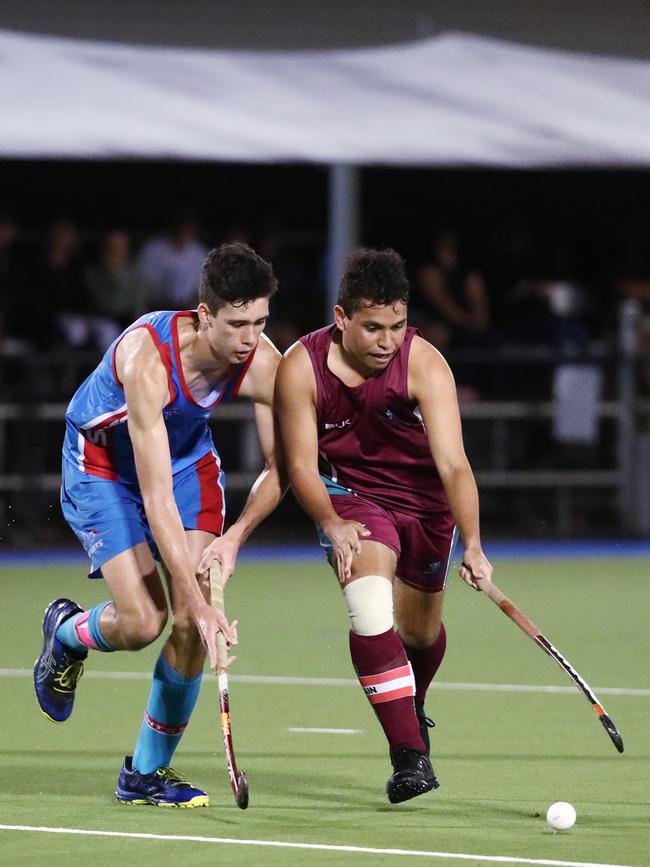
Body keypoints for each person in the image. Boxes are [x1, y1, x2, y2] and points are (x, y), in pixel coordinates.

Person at [34, 242, 283, 807]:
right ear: (204, 316)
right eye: (237, 323)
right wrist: (198, 599)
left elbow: (282, 467)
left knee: (193, 629)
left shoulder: (264, 363)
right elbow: (156, 499)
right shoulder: (148, 361)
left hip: (187, 458)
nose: (250, 338)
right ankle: (68, 633)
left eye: (261, 322)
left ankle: (145, 774)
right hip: (101, 466)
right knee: (146, 621)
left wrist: (235, 537)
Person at [275, 248, 492, 804]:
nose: (386, 341)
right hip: (355, 498)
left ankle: (411, 703)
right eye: (372, 327)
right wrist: (330, 519)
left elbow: (454, 465)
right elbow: (298, 465)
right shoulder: (301, 366)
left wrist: (474, 543)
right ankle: (409, 757)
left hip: (425, 505)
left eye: (396, 326)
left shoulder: (425, 363)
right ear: (341, 318)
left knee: (418, 633)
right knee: (371, 607)